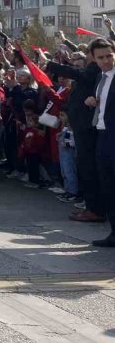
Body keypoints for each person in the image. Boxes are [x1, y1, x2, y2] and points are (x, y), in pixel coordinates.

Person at [46, 50, 104, 222]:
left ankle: (95, 209)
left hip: (87, 128)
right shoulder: (90, 71)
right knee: (84, 167)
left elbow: (77, 73)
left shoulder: (94, 69)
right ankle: (92, 207)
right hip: (80, 126)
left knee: (88, 168)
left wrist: (51, 65)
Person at [84, 37, 115, 247]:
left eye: (109, 56)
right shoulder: (100, 77)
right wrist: (92, 102)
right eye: (101, 57)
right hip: (102, 135)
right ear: (94, 59)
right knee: (107, 186)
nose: (106, 61)